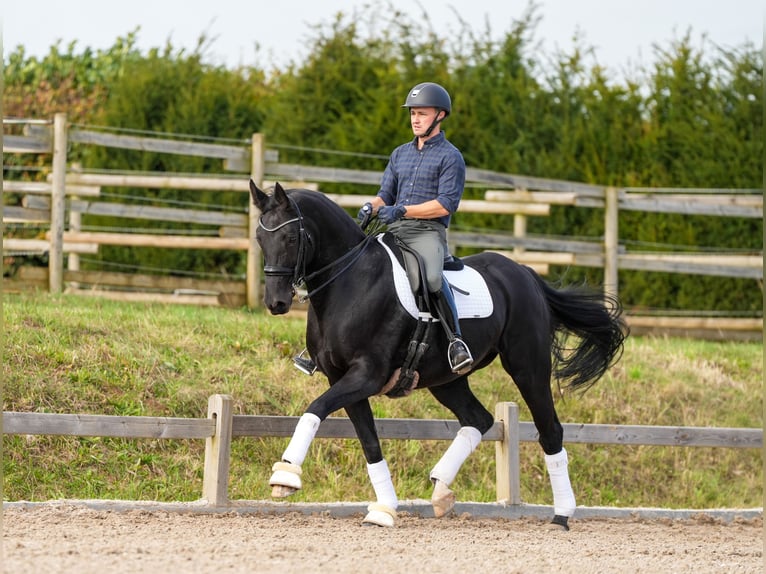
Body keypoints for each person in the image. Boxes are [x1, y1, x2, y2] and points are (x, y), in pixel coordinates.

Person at [358, 81, 473, 374]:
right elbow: (386, 194)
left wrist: (404, 209)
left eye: (422, 113)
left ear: (440, 116)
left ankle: (455, 341)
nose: (415, 119)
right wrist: (372, 206)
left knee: (432, 278)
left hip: (426, 232)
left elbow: (446, 204)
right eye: (412, 114)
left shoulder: (451, 157)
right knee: (358, 265)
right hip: (394, 227)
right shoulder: (399, 154)